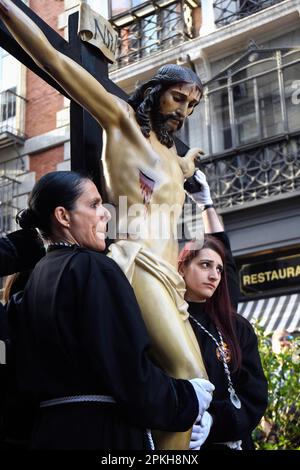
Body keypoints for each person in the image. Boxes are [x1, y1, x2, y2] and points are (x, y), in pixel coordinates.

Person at [0, 0, 208, 448]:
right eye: (177, 98)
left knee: (180, 397)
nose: (182, 112)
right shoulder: (121, 123)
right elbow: (55, 61)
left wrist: (190, 166)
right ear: (155, 92)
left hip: (171, 280)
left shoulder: (171, 157)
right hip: (139, 265)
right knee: (189, 377)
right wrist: (8, 11)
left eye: (191, 105)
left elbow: (176, 174)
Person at [4, 170, 214, 450]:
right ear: (63, 216)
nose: (106, 214)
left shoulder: (33, 279)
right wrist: (186, 399)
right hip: (100, 433)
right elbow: (126, 365)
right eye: (93, 205)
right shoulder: (93, 267)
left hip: (48, 433)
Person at [179, 170, 268, 450]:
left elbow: (254, 393)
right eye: (204, 265)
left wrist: (216, 421)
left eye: (218, 269)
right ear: (181, 267)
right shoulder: (169, 318)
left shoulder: (234, 325)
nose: (215, 275)